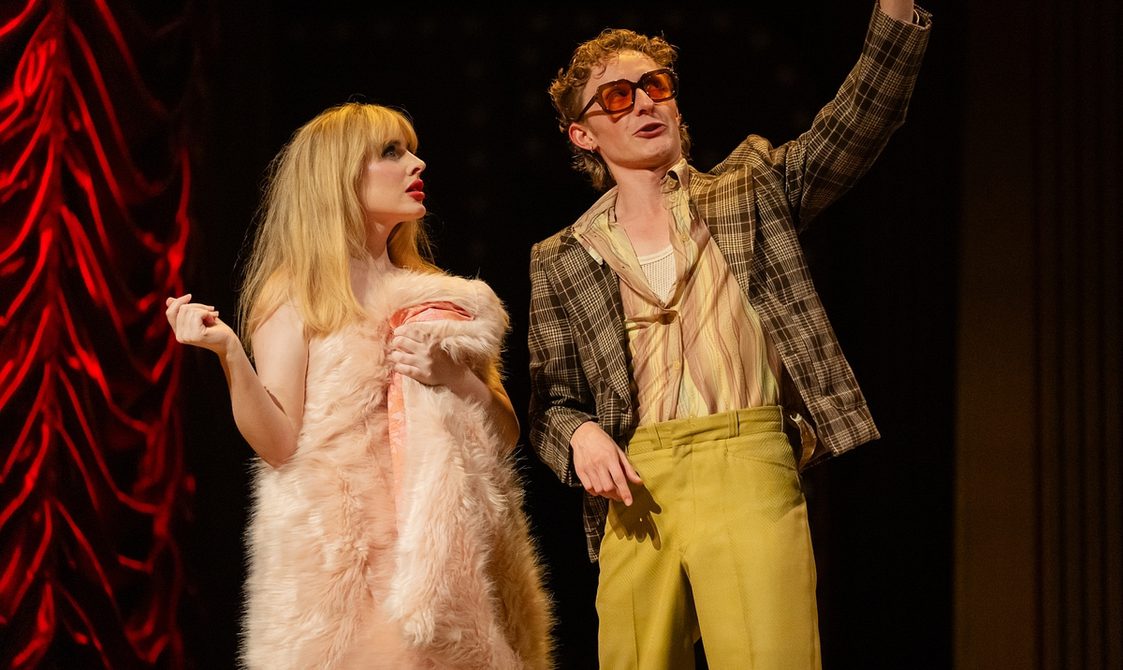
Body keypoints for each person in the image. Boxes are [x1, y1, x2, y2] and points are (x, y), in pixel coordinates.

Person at [527, 2, 931, 668]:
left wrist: (894, 12)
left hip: (747, 461)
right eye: (618, 97)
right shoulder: (562, 256)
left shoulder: (749, 190)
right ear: (583, 134)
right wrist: (579, 435)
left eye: (656, 86)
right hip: (637, 487)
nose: (643, 105)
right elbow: (552, 400)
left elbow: (858, 122)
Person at [166, 102, 552, 669]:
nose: (417, 163)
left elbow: (504, 433)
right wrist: (228, 351)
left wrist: (453, 377)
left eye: (411, 149)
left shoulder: (438, 298)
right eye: (392, 152)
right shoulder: (299, 292)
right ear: (340, 175)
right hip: (347, 568)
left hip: (447, 562)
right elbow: (278, 443)